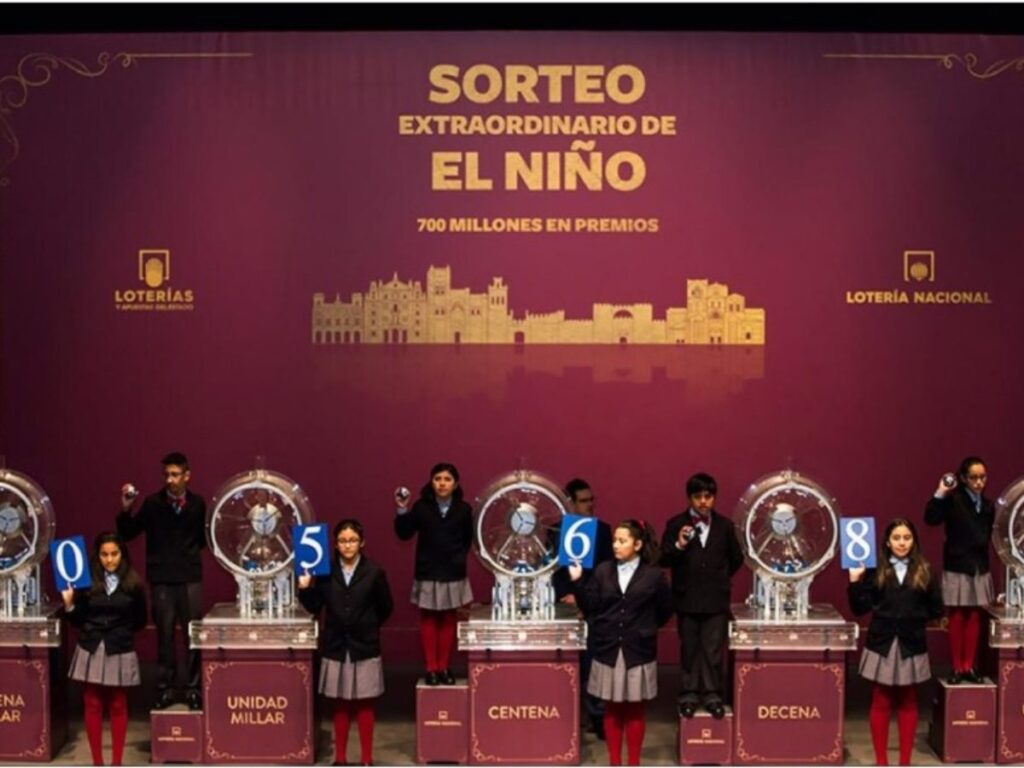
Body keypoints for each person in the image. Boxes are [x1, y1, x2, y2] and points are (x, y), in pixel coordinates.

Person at [569, 519, 673, 766]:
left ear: (637, 544)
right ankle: (615, 763)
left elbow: (665, 610)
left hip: (638, 649)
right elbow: (591, 606)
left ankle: (633, 762)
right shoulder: (603, 570)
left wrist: (645, 628)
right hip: (608, 648)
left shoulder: (654, 575)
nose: (615, 545)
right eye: (615, 540)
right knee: (612, 709)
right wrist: (578, 581)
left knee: (635, 710)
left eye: (622, 541)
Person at [299, 519, 394, 767]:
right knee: (340, 705)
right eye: (342, 541)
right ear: (335, 544)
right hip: (336, 646)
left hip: (365, 646)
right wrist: (305, 588)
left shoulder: (375, 572)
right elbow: (314, 606)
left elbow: (386, 607)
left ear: (362, 543)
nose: (348, 545)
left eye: (352, 540)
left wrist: (367, 625)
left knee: (365, 704)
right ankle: (340, 759)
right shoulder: (324, 572)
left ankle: (366, 760)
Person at [849, 518, 944, 766]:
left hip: (911, 642)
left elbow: (936, 608)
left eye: (907, 538)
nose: (902, 543)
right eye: (897, 538)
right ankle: (881, 761)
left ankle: (905, 762)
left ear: (914, 541)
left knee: (908, 700)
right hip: (882, 642)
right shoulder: (875, 571)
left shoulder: (925, 570)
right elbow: (859, 608)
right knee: (881, 699)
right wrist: (855, 581)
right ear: (888, 542)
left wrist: (913, 616)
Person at [116, 451, 206, 710]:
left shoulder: (198, 504)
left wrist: (186, 555)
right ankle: (165, 689)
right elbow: (128, 533)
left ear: (187, 476)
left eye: (175, 475)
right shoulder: (153, 503)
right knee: (164, 636)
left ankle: (194, 689)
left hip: (189, 577)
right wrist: (126, 508)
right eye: (166, 475)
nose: (170, 480)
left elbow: (204, 539)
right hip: (162, 579)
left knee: (193, 635)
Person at [659, 472, 744, 719]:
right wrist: (679, 545)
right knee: (689, 649)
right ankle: (688, 695)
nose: (703, 501)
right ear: (689, 498)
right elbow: (663, 558)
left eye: (708, 496)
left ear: (714, 498)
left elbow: (736, 558)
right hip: (686, 598)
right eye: (698, 497)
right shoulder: (675, 524)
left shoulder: (725, 526)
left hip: (716, 600)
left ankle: (712, 695)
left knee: (713, 650)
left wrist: (719, 577)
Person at [62, 532, 147, 766]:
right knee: (92, 703)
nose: (109, 559)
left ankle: (116, 763)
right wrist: (69, 605)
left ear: (122, 555)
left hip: (119, 647)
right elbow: (78, 619)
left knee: (118, 703)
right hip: (91, 645)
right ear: (97, 556)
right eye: (104, 554)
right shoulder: (85, 582)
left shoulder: (134, 584)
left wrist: (120, 631)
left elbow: (140, 620)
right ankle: (97, 762)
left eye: (114, 554)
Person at [394, 462, 473, 685]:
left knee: (448, 618)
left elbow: (467, 540)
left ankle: (444, 667)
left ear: (455, 484)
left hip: (453, 571)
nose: (442, 484)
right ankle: (431, 669)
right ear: (431, 482)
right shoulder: (421, 507)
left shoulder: (464, 509)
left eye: (447, 479)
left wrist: (456, 558)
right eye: (438, 479)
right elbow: (404, 533)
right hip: (427, 571)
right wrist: (402, 509)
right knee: (428, 618)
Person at [551, 478, 614, 739]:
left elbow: (607, 569)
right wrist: (566, 594)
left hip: (593, 607)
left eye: (592, 500)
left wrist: (585, 597)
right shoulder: (555, 531)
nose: (590, 505)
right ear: (570, 504)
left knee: (592, 664)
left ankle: (597, 717)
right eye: (584, 501)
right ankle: (562, 716)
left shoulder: (603, 530)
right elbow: (552, 569)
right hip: (563, 605)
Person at [924, 456, 994, 683]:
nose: (979, 482)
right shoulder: (953, 501)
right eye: (973, 478)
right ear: (963, 478)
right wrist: (940, 492)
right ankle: (956, 667)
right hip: (957, 564)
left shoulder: (988, 505)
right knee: (956, 615)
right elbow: (930, 517)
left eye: (982, 477)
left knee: (974, 615)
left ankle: (969, 666)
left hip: (979, 566)